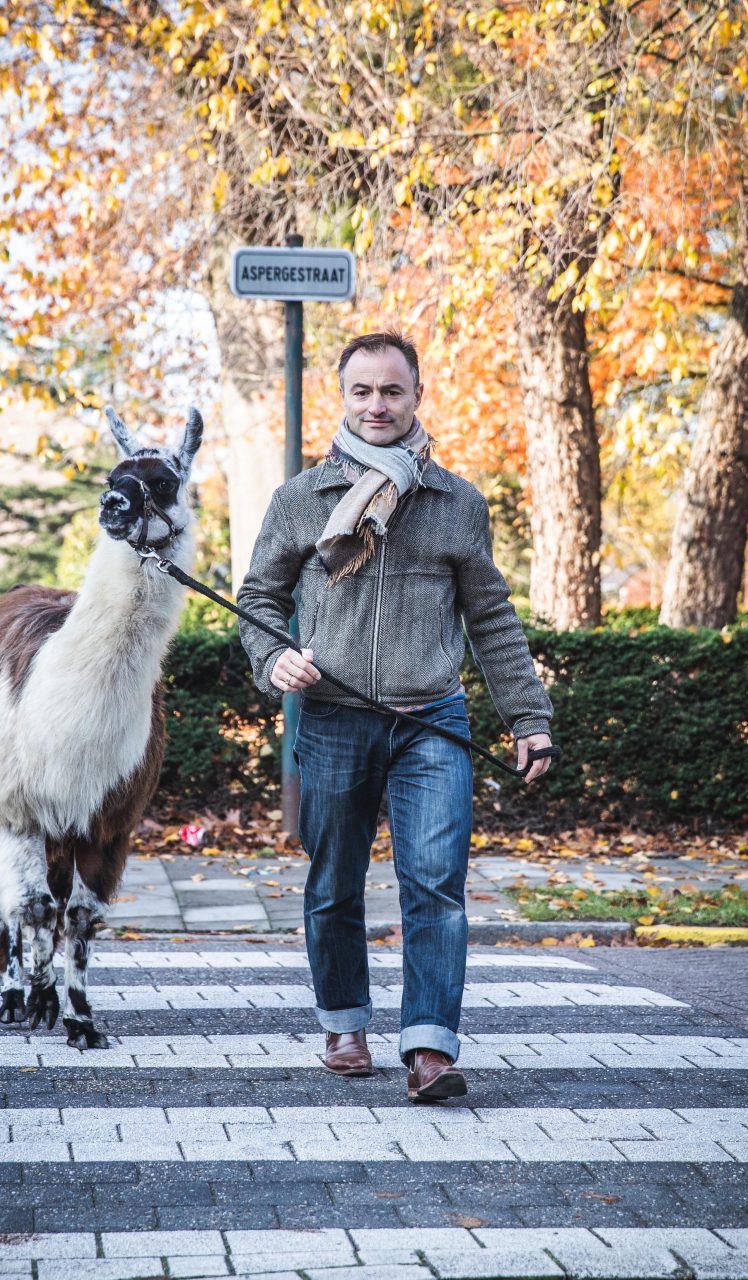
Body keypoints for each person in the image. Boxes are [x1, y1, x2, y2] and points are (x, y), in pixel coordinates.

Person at [237, 331, 555, 1103]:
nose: (377, 405)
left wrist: (527, 714)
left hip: (431, 723)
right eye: (362, 392)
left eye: (392, 392)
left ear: (417, 397)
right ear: (341, 398)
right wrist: (274, 658)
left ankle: (429, 1049)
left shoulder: (456, 504)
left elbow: (492, 618)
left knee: (437, 883)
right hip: (334, 719)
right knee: (335, 881)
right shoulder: (299, 500)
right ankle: (345, 1023)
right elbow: (258, 601)